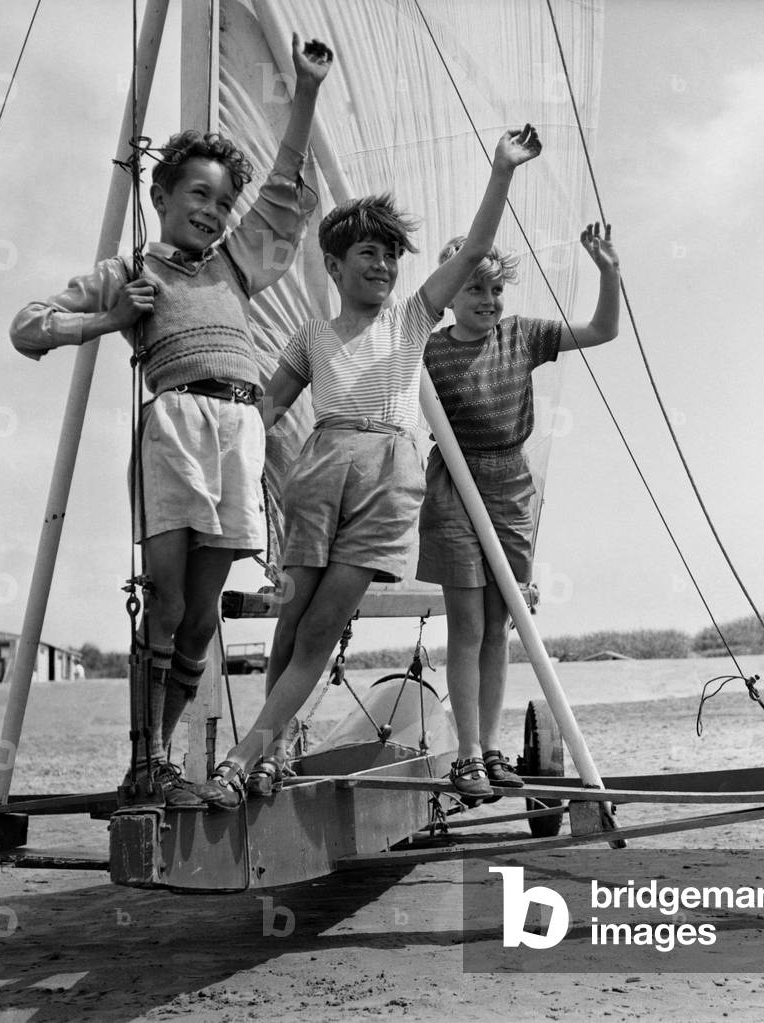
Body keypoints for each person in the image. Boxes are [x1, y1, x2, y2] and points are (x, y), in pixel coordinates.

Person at [9, 35, 334, 808]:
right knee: (167, 602)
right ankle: (146, 764)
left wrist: (308, 92)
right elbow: (27, 326)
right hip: (174, 432)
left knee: (202, 618)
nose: (215, 213)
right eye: (200, 196)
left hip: (238, 431)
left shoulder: (237, 263)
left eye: (223, 203)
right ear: (160, 196)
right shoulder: (130, 271)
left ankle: (164, 767)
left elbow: (285, 191)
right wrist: (107, 320)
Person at [195, 126, 543, 810]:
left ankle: (243, 758)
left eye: (390, 255)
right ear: (335, 264)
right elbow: (267, 408)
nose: (382, 265)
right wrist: (217, 453)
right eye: (368, 253)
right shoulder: (312, 335)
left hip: (388, 476)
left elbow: (474, 248)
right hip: (320, 469)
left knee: (322, 625)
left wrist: (501, 170)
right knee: (291, 626)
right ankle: (275, 755)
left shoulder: (413, 319)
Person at [415, 223, 621, 798]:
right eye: (473, 290)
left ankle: (492, 746)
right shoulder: (425, 350)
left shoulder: (522, 337)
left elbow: (604, 330)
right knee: (468, 625)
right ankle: (469, 755)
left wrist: (608, 272)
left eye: (494, 291)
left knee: (500, 629)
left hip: (510, 483)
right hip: (453, 484)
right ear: (449, 295)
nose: (486, 301)